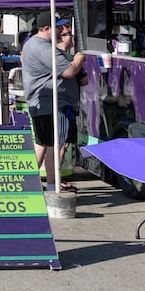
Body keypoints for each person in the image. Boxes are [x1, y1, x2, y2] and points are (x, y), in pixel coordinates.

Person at [20, 14, 85, 192]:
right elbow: (69, 72)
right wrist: (79, 58)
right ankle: (51, 186)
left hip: (43, 103)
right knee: (54, 145)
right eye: (58, 27)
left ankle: (29, 184)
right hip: (53, 104)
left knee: (43, 143)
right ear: (47, 28)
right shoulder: (44, 48)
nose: (62, 30)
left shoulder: (32, 44)